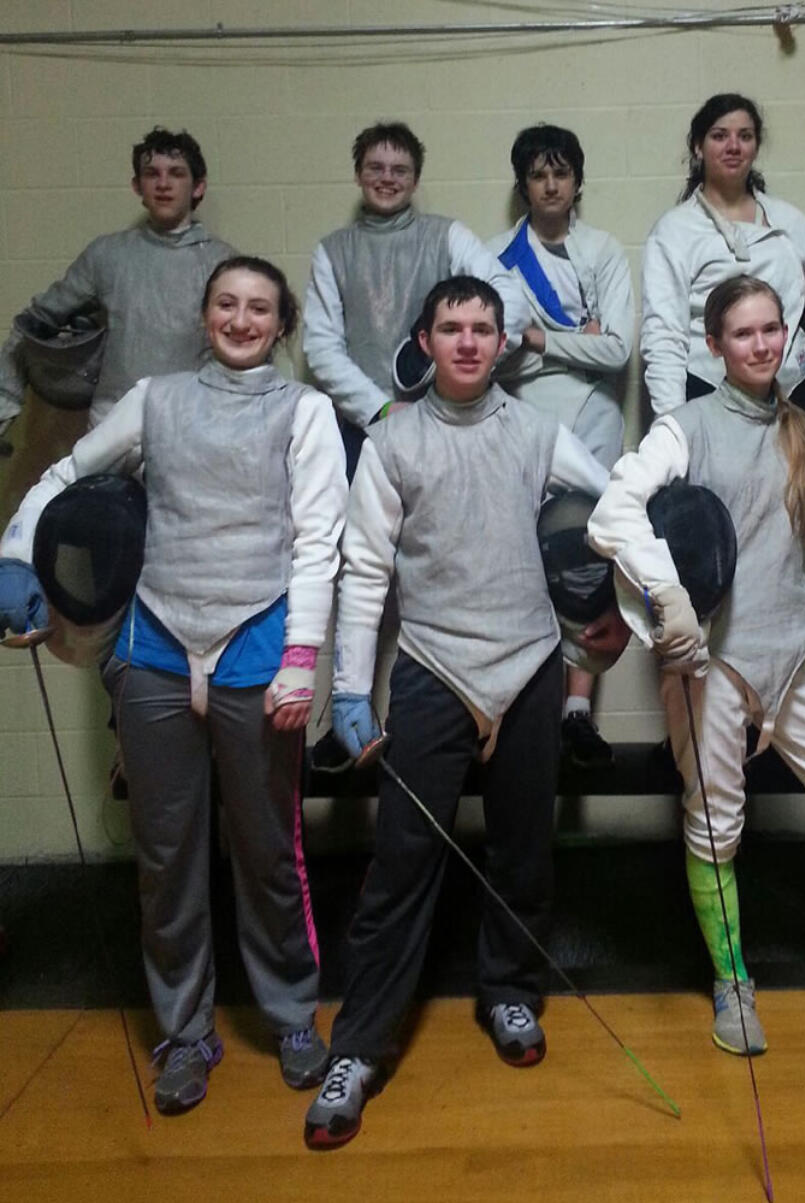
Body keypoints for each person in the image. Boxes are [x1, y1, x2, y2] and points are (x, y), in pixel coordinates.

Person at [0, 257, 347, 1113]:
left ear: (281, 321)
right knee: (165, 855)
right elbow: (60, 477)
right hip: (155, 645)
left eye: (258, 307)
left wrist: (302, 658)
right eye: (226, 303)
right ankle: (186, 1032)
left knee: (269, 849)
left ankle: (292, 1013)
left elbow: (318, 544)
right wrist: (15, 553)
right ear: (204, 315)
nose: (240, 319)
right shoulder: (153, 399)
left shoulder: (304, 412)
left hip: (258, 648)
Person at [588, 276, 805, 1057]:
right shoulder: (684, 429)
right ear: (714, 346)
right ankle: (732, 981)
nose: (761, 344)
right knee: (716, 828)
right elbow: (613, 513)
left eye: (772, 329)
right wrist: (668, 594)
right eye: (743, 333)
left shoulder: (802, 433)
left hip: (794, 661)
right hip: (710, 665)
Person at [304, 276, 618, 1150]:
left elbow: (615, 516)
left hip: (528, 667)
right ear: (427, 340)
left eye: (484, 328)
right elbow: (364, 571)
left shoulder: (536, 432)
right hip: (435, 671)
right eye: (453, 328)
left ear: (503, 341)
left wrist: (619, 614)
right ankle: (360, 1047)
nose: (470, 342)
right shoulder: (395, 440)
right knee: (403, 863)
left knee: (524, 852)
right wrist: (346, 691)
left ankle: (509, 990)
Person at [489, 123, 635, 769]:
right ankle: (514, 711)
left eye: (562, 173)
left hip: (595, 415)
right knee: (520, 554)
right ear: (523, 183)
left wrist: (543, 339)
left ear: (578, 180)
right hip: (521, 415)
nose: (551, 184)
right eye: (539, 174)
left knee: (589, 552)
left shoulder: (603, 250)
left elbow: (617, 349)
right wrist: (579, 340)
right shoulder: (496, 256)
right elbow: (495, 357)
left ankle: (578, 713)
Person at [303, 120, 528, 476]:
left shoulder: (448, 236)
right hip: (364, 430)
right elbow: (321, 347)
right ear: (358, 175)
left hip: (445, 423)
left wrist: (465, 369)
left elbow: (510, 303)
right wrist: (381, 409)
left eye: (400, 170)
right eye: (375, 168)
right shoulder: (332, 251)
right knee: (366, 530)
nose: (387, 178)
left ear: (415, 180)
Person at [640, 93, 805, 419]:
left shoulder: (789, 222)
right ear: (698, 148)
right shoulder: (674, 231)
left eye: (745, 136)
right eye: (719, 136)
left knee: (801, 471)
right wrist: (672, 426)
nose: (734, 146)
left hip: (787, 386)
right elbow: (663, 336)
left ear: (756, 148)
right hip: (708, 384)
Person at [0, 127, 234, 436]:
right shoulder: (107, 254)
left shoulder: (224, 263)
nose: (163, 184)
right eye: (152, 174)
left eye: (176, 173)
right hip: (112, 420)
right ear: (138, 186)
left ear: (197, 187)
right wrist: (6, 399)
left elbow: (248, 349)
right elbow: (33, 322)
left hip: (192, 420)